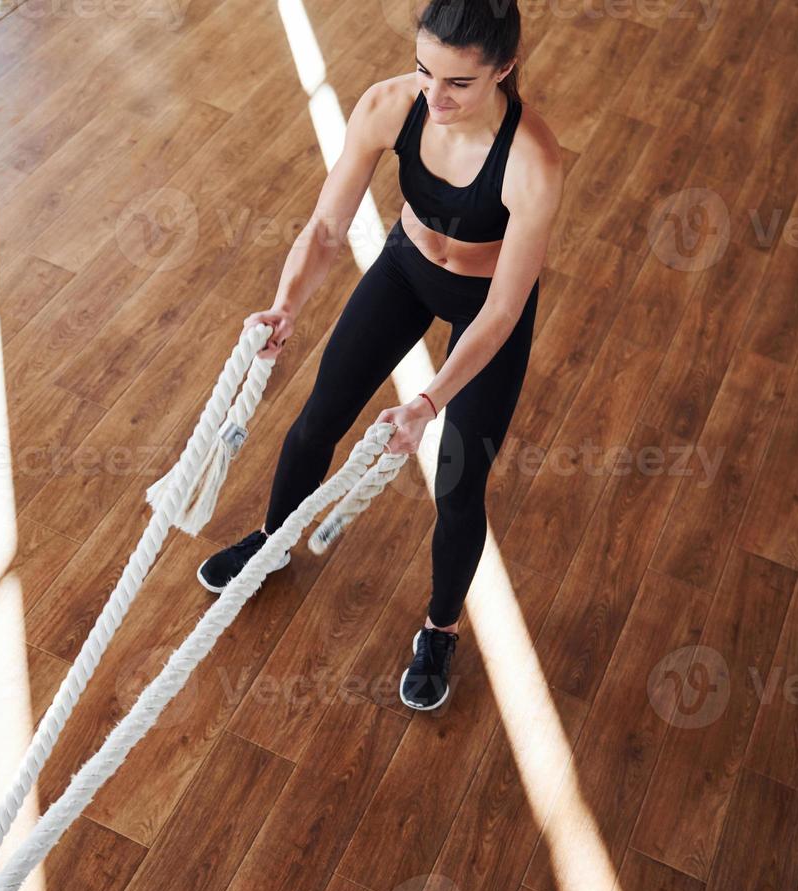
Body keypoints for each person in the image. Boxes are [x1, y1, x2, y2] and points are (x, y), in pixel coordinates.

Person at [196, 0, 563, 711]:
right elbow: (328, 226)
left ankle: (441, 629)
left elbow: (504, 311)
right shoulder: (392, 106)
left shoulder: (532, 163)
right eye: (426, 70)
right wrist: (286, 304)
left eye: (458, 82)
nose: (436, 95)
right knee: (317, 419)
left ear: (505, 69)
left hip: (485, 307)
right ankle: (273, 541)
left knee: (457, 486)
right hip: (406, 270)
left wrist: (429, 401)